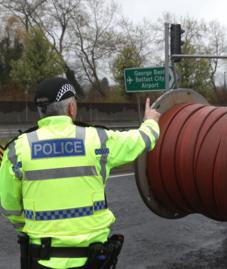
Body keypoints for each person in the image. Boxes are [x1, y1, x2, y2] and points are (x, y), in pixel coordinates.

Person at [0, 77, 161, 269]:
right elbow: (141, 140)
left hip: (42, 258)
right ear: (71, 108)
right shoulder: (98, 140)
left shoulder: (16, 150)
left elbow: (9, 204)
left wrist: (27, 229)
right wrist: (150, 121)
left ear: (41, 110)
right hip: (93, 260)